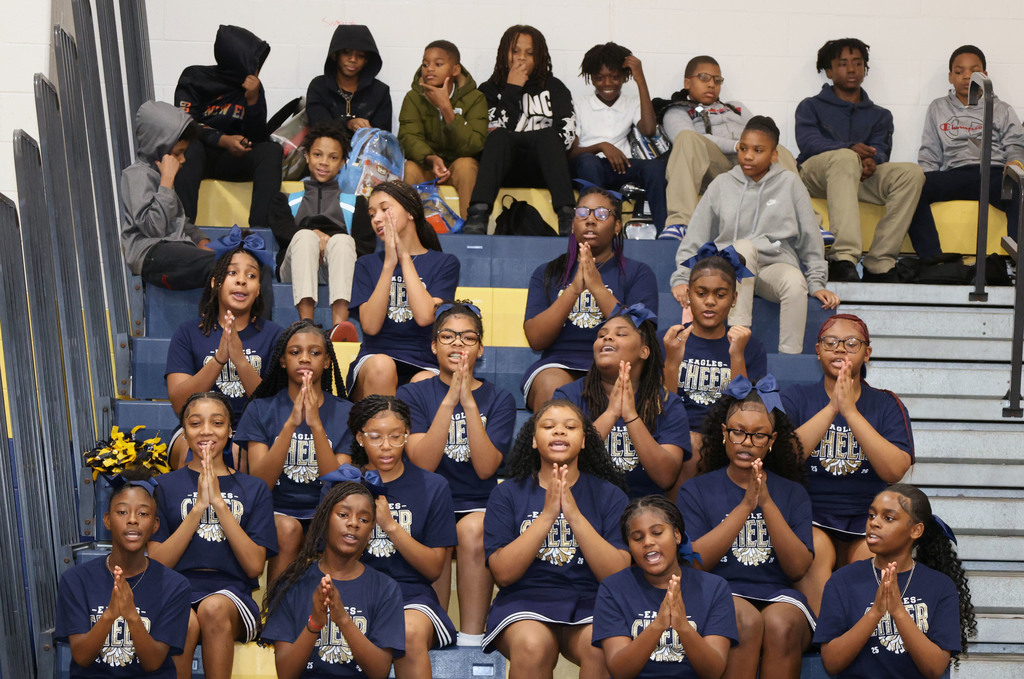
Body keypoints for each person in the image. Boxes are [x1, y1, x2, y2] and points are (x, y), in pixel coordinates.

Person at [482, 399, 631, 679]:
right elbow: (503, 574)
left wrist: (574, 515)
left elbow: (617, 574)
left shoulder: (610, 495)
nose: (559, 431)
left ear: (584, 441)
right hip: (524, 600)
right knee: (532, 646)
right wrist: (548, 515)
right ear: (534, 440)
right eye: (548, 426)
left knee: (603, 648)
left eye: (570, 427)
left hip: (591, 600)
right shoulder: (507, 493)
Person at [678, 376, 815, 679]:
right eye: (738, 432)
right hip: (718, 591)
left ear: (772, 440)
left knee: (782, 624)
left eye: (758, 435)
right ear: (724, 433)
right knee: (743, 620)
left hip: (777, 594)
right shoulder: (696, 490)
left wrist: (765, 502)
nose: (747, 443)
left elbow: (797, 569)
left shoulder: (793, 493)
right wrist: (744, 507)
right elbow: (694, 563)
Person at [396, 301, 517, 645]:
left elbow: (486, 468)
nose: (458, 344)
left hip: (477, 501)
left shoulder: (500, 399)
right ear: (434, 346)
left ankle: (471, 637)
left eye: (468, 337)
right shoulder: (412, 393)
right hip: (428, 500)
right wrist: (449, 400)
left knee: (472, 528)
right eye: (448, 336)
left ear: (480, 348)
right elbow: (423, 463)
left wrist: (469, 402)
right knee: (436, 526)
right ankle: (435, 628)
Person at [670, 117, 841, 355]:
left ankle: (789, 358)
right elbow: (696, 237)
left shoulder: (790, 183)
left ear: (774, 155)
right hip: (730, 271)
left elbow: (810, 238)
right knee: (743, 247)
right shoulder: (722, 184)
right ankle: (737, 338)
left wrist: (816, 283)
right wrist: (682, 278)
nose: (748, 156)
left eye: (758, 151)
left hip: (773, 265)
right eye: (743, 149)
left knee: (794, 282)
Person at [781, 314, 914, 616]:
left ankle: (857, 637)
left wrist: (851, 412)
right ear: (818, 351)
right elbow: (785, 460)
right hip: (811, 514)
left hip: (868, 516)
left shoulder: (886, 404)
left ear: (867, 353)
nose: (840, 349)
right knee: (814, 554)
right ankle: (826, 635)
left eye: (851, 343)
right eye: (831, 342)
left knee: (873, 563)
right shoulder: (796, 397)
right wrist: (832, 408)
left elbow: (894, 470)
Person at [148, 392, 277, 679]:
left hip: (233, 596)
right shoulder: (163, 486)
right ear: (184, 432)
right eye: (196, 423)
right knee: (183, 617)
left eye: (217, 423)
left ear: (230, 430)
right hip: (177, 590)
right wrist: (198, 509)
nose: (206, 430)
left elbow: (254, 566)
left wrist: (218, 502)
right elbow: (157, 564)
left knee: (213, 607)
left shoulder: (254, 488)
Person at [795, 38, 925, 283]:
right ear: (829, 71)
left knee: (912, 173)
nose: (852, 69)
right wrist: (850, 151)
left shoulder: (880, 115)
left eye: (857, 63)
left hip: (858, 177)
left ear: (865, 69)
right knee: (845, 158)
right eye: (843, 63)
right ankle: (842, 258)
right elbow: (809, 143)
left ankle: (880, 263)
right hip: (816, 176)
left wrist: (871, 162)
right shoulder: (810, 106)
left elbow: (881, 148)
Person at [345, 395, 458, 677]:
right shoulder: (342, 486)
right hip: (353, 590)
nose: (386, 446)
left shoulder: (433, 486)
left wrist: (391, 527)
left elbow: (434, 568)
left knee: (408, 632)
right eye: (375, 437)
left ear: (407, 434)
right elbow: (332, 560)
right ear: (360, 438)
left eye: (396, 436)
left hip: (411, 594)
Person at [815, 484, 976, 679]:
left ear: (916, 530)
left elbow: (935, 669)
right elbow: (832, 663)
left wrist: (898, 611)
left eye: (888, 518)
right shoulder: (842, 581)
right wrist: (875, 612)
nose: (874, 523)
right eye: (871, 515)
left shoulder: (940, 586)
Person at [234, 321, 352, 581]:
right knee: (288, 529)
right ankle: (277, 605)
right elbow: (259, 484)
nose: (305, 358)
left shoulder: (345, 412)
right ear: (283, 360)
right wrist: (290, 425)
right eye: (295, 352)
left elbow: (338, 486)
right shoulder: (261, 409)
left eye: (315, 352)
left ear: (327, 362)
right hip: (274, 511)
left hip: (324, 511)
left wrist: (316, 424)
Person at [522, 187, 658, 410]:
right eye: (582, 213)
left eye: (602, 214)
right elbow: (536, 340)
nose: (591, 220)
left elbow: (643, 334)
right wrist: (574, 289)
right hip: (559, 363)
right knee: (550, 383)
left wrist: (597, 287)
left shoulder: (638, 273)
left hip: (617, 363)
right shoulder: (547, 272)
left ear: (617, 226)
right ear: (573, 224)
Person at [260, 481, 406, 679]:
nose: (353, 523)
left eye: (363, 519)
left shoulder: (385, 588)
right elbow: (286, 673)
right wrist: (315, 623)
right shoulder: (293, 583)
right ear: (324, 519)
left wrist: (343, 619)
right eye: (343, 515)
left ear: (371, 530)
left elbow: (380, 672)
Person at [165, 240, 283, 469]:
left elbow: (273, 410)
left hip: (254, 429)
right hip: (198, 426)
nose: (241, 280)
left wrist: (240, 360)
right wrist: (219, 359)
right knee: (193, 445)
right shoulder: (188, 333)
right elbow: (180, 405)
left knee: (249, 449)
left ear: (258, 289)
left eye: (251, 275)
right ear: (215, 283)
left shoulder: (275, 336)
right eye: (232, 273)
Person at [56, 481, 191, 678]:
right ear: (107, 520)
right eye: (122, 512)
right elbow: (81, 657)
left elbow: (153, 663)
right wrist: (110, 614)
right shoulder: (76, 580)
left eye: (143, 513)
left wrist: (131, 615)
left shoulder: (175, 586)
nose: (133, 520)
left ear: (155, 525)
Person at [592, 495, 737, 679]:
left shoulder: (714, 588)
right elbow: (620, 671)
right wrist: (658, 625)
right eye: (637, 538)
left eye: (657, 532)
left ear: (677, 535)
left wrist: (682, 626)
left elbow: (713, 672)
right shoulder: (613, 588)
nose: (647, 542)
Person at [554, 304, 689, 498]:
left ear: (644, 351)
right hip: (583, 502)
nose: (607, 338)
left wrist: (631, 416)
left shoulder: (668, 402)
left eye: (621, 334)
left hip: (643, 507)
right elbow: (562, 462)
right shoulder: (568, 396)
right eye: (601, 335)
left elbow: (666, 477)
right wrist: (611, 414)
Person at [657, 55, 799, 240]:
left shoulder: (736, 108)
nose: (711, 84)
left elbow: (761, 134)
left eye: (717, 80)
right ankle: (680, 223)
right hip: (712, 169)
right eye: (703, 78)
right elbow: (684, 140)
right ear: (687, 83)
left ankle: (806, 222)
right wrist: (737, 146)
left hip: (746, 168)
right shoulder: (676, 110)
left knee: (774, 148)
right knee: (687, 138)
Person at [908, 44, 1024, 259]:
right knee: (911, 188)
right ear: (950, 76)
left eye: (974, 70)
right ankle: (933, 260)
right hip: (957, 173)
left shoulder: (1002, 108)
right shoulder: (938, 107)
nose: (967, 76)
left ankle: (1018, 262)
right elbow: (930, 152)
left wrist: (1015, 164)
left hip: (994, 173)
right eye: (959, 71)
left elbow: (1016, 145)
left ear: (985, 75)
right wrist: (925, 177)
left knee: (1019, 190)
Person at [347, 181, 461, 400]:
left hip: (424, 361)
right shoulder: (366, 264)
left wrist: (405, 257)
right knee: (383, 366)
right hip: (375, 360)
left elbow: (425, 316)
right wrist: (389, 265)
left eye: (384, 209)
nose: (377, 218)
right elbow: (370, 326)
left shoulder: (445, 263)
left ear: (410, 212)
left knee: (425, 382)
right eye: (372, 214)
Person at [663, 248, 767, 478]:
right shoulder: (670, 339)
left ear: (734, 299)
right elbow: (662, 409)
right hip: (674, 433)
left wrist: (737, 355)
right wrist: (671, 362)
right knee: (690, 444)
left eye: (720, 295)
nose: (710, 302)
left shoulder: (749, 345)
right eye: (701, 293)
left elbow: (747, 411)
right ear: (688, 294)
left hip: (728, 436)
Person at [463, 25, 577, 235]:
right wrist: (512, 89)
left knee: (548, 136)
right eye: (515, 51)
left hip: (544, 169)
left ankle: (568, 216)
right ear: (504, 54)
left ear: (540, 57)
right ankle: (478, 215)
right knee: (499, 138)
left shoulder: (555, 88)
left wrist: (525, 138)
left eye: (530, 53)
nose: (521, 58)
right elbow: (487, 135)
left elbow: (567, 138)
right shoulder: (489, 90)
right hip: (503, 170)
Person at [174, 25, 282, 230]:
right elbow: (184, 124)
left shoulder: (253, 87)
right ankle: (182, 230)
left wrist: (253, 101)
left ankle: (260, 233)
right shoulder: (194, 77)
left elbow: (258, 137)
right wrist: (222, 140)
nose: (257, 70)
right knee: (189, 146)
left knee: (271, 151)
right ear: (236, 61)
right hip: (201, 156)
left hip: (234, 159)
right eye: (253, 63)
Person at [274, 119, 361, 342]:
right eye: (317, 154)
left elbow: (364, 247)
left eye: (333, 157)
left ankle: (339, 327)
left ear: (342, 163)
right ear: (306, 156)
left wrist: (329, 241)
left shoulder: (356, 204)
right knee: (304, 237)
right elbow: (283, 232)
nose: (324, 162)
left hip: (336, 267)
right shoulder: (285, 200)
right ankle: (306, 323)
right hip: (296, 266)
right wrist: (314, 234)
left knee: (343, 241)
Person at [570, 42, 667, 231]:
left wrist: (640, 80)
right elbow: (572, 153)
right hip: (588, 165)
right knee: (589, 163)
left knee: (656, 167)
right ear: (591, 78)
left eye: (614, 77)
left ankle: (664, 232)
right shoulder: (578, 103)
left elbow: (649, 130)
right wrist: (602, 146)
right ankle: (595, 229)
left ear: (624, 77)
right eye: (599, 78)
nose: (607, 83)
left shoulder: (631, 102)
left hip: (621, 165)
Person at [121, 100, 216, 290]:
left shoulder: (161, 177)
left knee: (243, 265)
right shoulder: (137, 175)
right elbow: (154, 229)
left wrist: (200, 239)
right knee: (226, 268)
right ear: (158, 149)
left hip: (175, 249)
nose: (183, 159)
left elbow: (178, 221)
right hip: (151, 253)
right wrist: (166, 181)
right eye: (178, 153)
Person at [398, 40, 487, 219]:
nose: (429, 69)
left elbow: (475, 144)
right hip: (427, 165)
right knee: (409, 168)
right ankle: (408, 227)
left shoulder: (475, 98)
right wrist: (431, 158)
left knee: (467, 166)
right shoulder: (413, 97)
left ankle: (471, 227)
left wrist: (447, 109)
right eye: (425, 64)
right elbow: (408, 137)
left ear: (455, 70)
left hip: (456, 166)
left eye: (438, 64)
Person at [306, 24, 392, 136]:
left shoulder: (380, 92)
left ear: (366, 60)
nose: (353, 59)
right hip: (328, 146)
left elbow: (383, 137)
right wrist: (348, 123)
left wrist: (370, 134)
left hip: (365, 147)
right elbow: (319, 126)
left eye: (360, 55)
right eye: (346, 53)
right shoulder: (319, 86)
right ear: (335, 55)